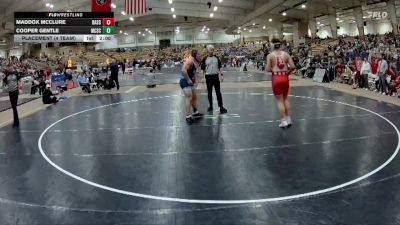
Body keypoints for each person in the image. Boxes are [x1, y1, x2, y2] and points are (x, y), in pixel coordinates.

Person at [266, 38, 296, 128]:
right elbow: (293, 66)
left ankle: (283, 122)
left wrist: (273, 69)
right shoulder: (286, 54)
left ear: (272, 45)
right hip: (285, 77)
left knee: (280, 100)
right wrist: (287, 73)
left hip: (276, 77)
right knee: (286, 99)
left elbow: (267, 69)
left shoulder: (270, 56)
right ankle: (288, 119)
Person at [201, 46, 228, 114]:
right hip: (208, 77)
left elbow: (220, 67)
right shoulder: (205, 58)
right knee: (209, 92)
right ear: (207, 50)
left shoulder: (216, 58)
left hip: (215, 76)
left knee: (218, 92)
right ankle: (210, 106)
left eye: (213, 50)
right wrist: (203, 77)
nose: (212, 51)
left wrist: (221, 75)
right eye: (210, 50)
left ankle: (221, 107)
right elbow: (203, 69)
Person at [180, 50, 203, 124]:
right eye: (198, 55)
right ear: (194, 56)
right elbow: (183, 70)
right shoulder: (190, 61)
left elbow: (194, 72)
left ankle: (195, 112)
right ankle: (188, 116)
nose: (200, 56)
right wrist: (188, 79)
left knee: (194, 97)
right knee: (189, 98)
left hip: (190, 81)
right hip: (184, 81)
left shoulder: (197, 62)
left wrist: (195, 80)